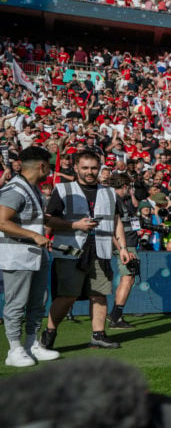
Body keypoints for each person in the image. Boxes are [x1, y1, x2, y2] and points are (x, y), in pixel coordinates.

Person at [41, 150, 134, 351]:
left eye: (94, 168)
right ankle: (49, 333)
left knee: (100, 294)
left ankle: (98, 335)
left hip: (100, 251)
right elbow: (48, 218)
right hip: (69, 250)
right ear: (75, 168)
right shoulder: (63, 189)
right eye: (85, 168)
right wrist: (74, 225)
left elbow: (115, 221)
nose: (90, 172)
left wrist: (123, 247)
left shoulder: (109, 192)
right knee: (67, 296)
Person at [0, 147, 60, 367]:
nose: (51, 170)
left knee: (38, 301)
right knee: (16, 303)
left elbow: (32, 217)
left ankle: (31, 344)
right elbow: (2, 221)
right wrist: (34, 235)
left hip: (35, 254)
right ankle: (14, 349)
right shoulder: (15, 189)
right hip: (17, 255)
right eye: (49, 165)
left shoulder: (31, 188)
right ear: (41, 166)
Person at [107, 173, 139, 330]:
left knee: (128, 279)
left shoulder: (119, 200)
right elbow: (111, 229)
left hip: (126, 243)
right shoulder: (114, 200)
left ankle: (115, 314)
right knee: (127, 278)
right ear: (125, 186)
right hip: (125, 245)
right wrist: (122, 249)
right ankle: (115, 317)